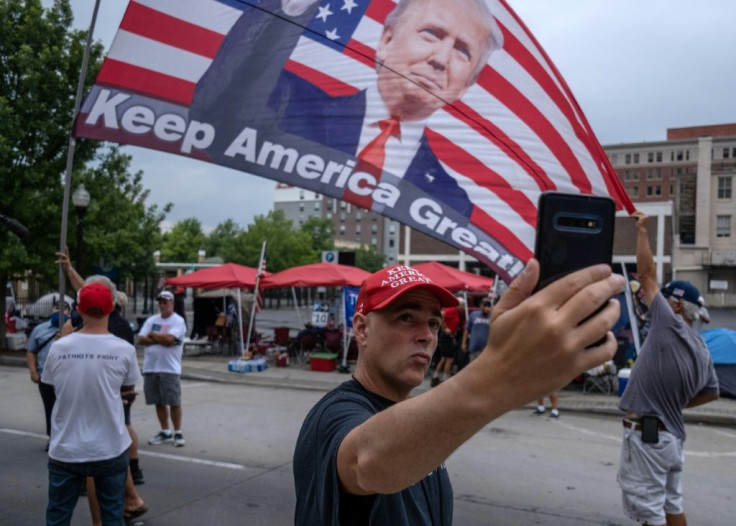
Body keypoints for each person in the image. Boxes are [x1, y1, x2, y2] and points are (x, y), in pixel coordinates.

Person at [293, 261, 624, 524]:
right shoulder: (334, 414)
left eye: (434, 324)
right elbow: (365, 460)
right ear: (362, 329)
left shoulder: (417, 419)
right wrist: (498, 377)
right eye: (406, 317)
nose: (425, 335)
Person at [269, 0, 503, 213]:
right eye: (431, 33)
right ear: (386, 41)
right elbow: (239, 74)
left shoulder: (452, 202)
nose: (441, 59)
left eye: (462, 51)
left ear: (464, 88)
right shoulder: (288, 105)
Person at [617, 210, 719, 526]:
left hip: (650, 437)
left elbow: (647, 276)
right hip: (671, 438)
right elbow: (711, 393)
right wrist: (673, 403)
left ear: (675, 306)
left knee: (650, 513)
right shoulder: (702, 348)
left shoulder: (668, 324)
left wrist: (643, 231)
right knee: (671, 506)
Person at [42, 282, 142, 525]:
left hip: (66, 447)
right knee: (112, 516)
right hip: (109, 448)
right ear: (111, 308)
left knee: (58, 516)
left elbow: (54, 386)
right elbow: (129, 390)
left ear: (79, 310)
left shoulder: (59, 347)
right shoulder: (125, 350)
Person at [138, 290, 188, 447]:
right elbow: (141, 339)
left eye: (165, 302)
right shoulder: (152, 319)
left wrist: (152, 335)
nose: (162, 305)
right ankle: (165, 431)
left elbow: (170, 340)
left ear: (172, 303)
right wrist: (161, 339)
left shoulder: (178, 321)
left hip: (169, 368)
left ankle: (178, 432)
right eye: (160, 302)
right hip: (151, 367)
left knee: (173, 401)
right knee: (158, 401)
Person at [25, 300, 70, 451]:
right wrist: (33, 372)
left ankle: (68, 440)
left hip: (68, 378)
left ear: (69, 313)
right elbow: (31, 351)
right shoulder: (40, 329)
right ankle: (53, 439)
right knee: (50, 409)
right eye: (57, 308)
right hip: (45, 377)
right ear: (52, 310)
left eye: (64, 309)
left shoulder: (74, 330)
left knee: (68, 409)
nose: (60, 312)